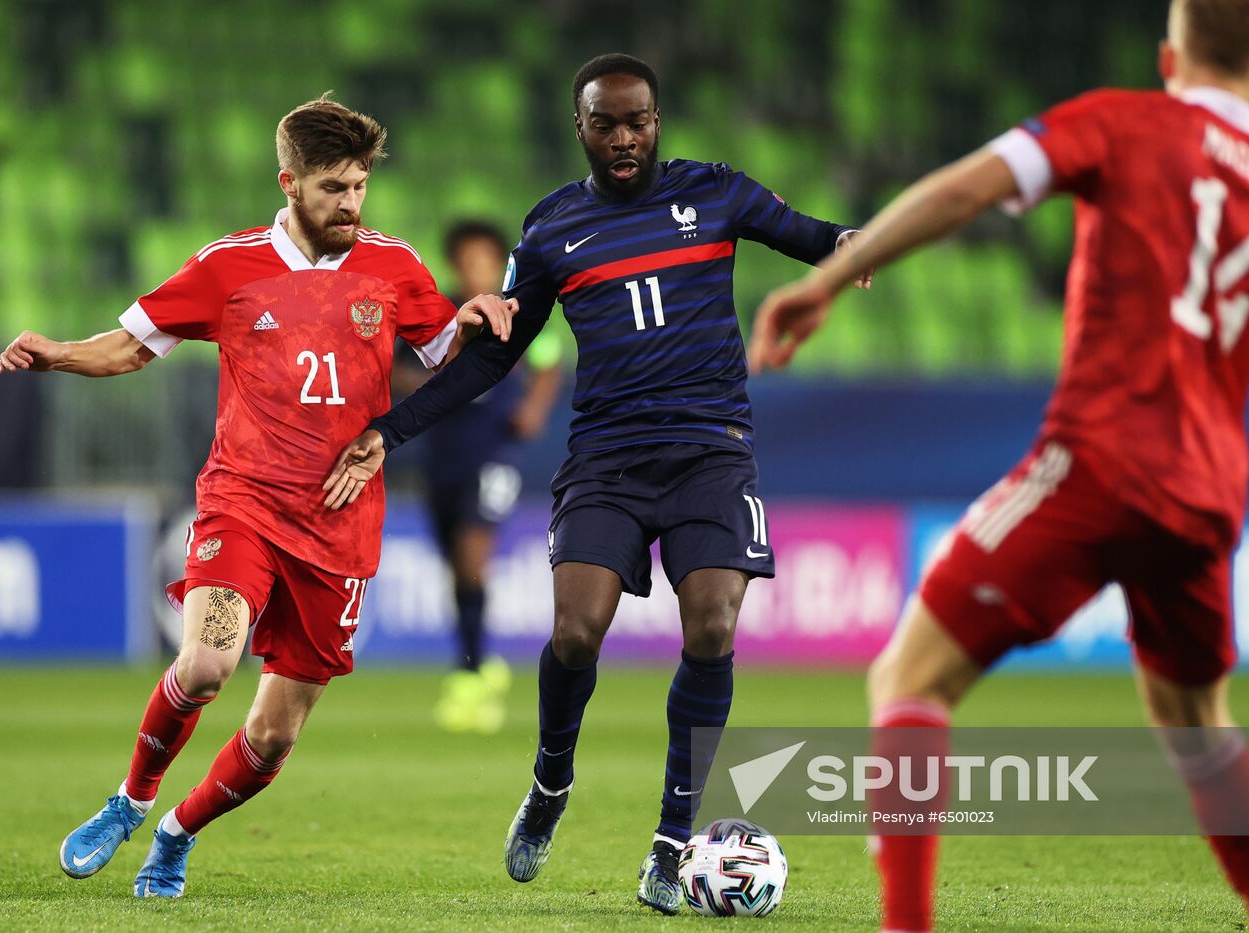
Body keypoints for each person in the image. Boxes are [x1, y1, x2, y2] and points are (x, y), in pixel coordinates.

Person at [749, 2, 1249, 931]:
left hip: (1099, 461)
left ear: (1167, 58)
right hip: (1208, 499)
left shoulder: (1124, 119)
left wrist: (824, 277)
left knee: (909, 678)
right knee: (1200, 726)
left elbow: (968, 188)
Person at [321, 53, 867, 914]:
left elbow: (808, 231)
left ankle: (672, 837)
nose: (623, 137)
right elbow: (494, 355)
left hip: (710, 449)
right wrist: (391, 429)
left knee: (715, 623)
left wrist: (849, 243)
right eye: (605, 123)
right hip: (607, 458)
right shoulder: (549, 232)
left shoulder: (716, 193)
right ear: (580, 128)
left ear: (658, 121)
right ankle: (549, 785)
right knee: (576, 633)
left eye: (637, 121)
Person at [0, 93, 514, 898]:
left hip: (341, 522)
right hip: (246, 500)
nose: (350, 204)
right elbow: (132, 348)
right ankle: (131, 800)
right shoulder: (227, 266)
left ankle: (176, 834)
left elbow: (447, 351)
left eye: (360, 187)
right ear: (288, 182)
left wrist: (474, 320)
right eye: (332, 188)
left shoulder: (395, 266)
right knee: (205, 664)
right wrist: (57, 351)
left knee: (273, 734)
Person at [390, 220, 564, 734]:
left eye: (485, 260)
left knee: (472, 557)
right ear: (455, 265)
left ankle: (468, 675)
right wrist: (446, 372)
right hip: (443, 454)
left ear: (498, 263)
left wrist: (533, 407)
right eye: (467, 261)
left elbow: (550, 361)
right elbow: (399, 372)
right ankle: (481, 664)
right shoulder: (440, 316)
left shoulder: (517, 310)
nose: (476, 270)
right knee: (455, 565)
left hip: (494, 454)